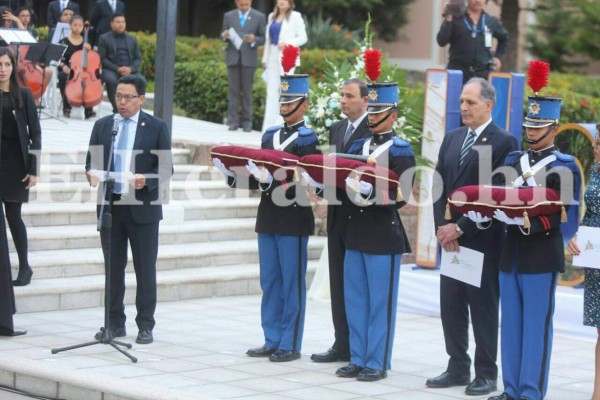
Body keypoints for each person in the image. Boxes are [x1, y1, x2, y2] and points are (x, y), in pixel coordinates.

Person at [213, 74, 319, 362]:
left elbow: (305, 180)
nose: (285, 105)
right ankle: (271, 338)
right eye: (283, 99)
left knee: (291, 282)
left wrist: (269, 180)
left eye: (292, 100)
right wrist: (234, 175)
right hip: (269, 216)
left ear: (304, 104)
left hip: (293, 217)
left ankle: (290, 342)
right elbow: (258, 174)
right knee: (270, 280)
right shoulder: (270, 135)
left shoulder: (308, 139)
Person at [484, 85, 579, 400]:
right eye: (528, 126)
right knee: (510, 324)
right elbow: (496, 194)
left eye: (537, 127)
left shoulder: (563, 164)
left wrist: (528, 223)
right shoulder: (513, 159)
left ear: (553, 128)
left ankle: (530, 392)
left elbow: (564, 213)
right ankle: (511, 389)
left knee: (535, 327)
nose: (531, 132)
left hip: (540, 255)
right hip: (509, 253)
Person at [428, 77, 517, 396]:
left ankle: (486, 373)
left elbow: (497, 194)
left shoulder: (504, 141)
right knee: (450, 305)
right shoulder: (452, 138)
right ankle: (456, 366)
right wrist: (442, 227)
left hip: (483, 239)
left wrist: (460, 227)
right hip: (450, 241)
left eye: (470, 102)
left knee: (483, 308)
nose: (463, 107)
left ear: (489, 105)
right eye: (462, 101)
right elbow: (438, 186)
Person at [327, 79, 415, 382]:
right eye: (372, 109)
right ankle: (358, 357)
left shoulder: (401, 150)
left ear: (393, 114)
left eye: (380, 110)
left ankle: (376, 361)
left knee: (380, 303)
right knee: (356, 299)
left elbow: (401, 196)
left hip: (382, 234)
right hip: (355, 231)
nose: (374, 116)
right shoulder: (357, 146)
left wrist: (368, 191)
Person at [85, 74, 173, 345]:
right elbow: (92, 161)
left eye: (128, 97)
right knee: (113, 267)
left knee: (145, 267)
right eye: (118, 97)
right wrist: (90, 173)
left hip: (142, 208)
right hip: (111, 206)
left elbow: (166, 168)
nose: (122, 103)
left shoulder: (155, 126)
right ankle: (114, 323)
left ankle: (145, 324)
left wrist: (146, 179)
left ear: (141, 99)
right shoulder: (103, 125)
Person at [310, 78, 371, 364]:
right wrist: (319, 184)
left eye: (349, 96)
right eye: (342, 95)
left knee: (357, 286)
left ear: (365, 101)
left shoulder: (373, 130)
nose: (343, 100)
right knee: (337, 282)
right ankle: (341, 343)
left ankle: (360, 346)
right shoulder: (336, 128)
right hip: (336, 216)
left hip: (360, 217)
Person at [0, 47, 41, 287]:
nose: (2, 69)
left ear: (13, 67)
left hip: (16, 162)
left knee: (14, 216)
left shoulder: (24, 95)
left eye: (6, 64)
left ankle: (25, 266)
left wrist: (33, 168)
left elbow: (35, 133)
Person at [567, 131, 600, 400]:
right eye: (598, 143)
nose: (598, 149)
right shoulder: (597, 170)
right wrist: (579, 236)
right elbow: (591, 213)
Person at [260, 0, 306, 132]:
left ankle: (281, 125)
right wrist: (265, 59)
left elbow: (303, 37)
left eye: (284, 0)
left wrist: (288, 43)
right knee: (271, 91)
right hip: (273, 55)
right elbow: (268, 41)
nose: (281, 2)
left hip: (288, 55)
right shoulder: (271, 16)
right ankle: (267, 127)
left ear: (290, 3)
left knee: (285, 91)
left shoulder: (295, 16)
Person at [436, 0, 509, 84]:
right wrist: (448, 16)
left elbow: (504, 38)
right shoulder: (456, 18)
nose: (477, 0)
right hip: (458, 73)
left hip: (482, 74)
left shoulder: (491, 21)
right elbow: (441, 41)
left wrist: (497, 57)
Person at [221, 0, 266, 132]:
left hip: (249, 60)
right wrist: (224, 36)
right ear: (236, 3)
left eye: (246, 5)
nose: (244, 7)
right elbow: (223, 34)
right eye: (241, 5)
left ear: (250, 2)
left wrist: (255, 40)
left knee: (247, 92)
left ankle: (247, 123)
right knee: (233, 92)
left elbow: (263, 38)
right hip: (233, 59)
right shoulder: (229, 16)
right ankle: (233, 122)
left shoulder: (259, 16)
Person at [98, 12, 142, 115]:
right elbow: (103, 59)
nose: (121, 24)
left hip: (129, 69)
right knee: (112, 80)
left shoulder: (132, 39)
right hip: (111, 69)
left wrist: (130, 69)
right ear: (111, 24)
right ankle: (117, 108)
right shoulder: (104, 38)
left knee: (141, 80)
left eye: (123, 22)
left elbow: (138, 58)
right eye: (118, 22)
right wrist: (117, 69)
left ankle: (135, 109)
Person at [57, 14, 96, 119]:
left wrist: (89, 50)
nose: (78, 27)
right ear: (70, 25)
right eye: (75, 25)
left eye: (80, 25)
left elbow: (92, 60)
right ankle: (66, 106)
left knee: (88, 79)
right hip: (68, 69)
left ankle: (88, 108)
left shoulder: (86, 42)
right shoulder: (63, 41)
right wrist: (64, 67)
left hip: (82, 70)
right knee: (62, 77)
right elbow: (58, 60)